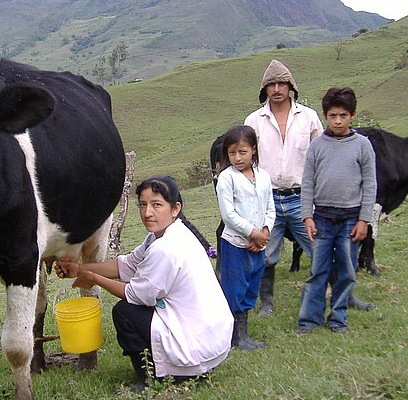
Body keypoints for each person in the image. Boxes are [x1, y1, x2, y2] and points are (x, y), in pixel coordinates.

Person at [55, 175, 233, 392]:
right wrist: (79, 269)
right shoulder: (166, 235)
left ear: (175, 208)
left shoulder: (166, 248)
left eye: (157, 205)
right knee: (135, 308)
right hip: (209, 336)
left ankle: (150, 378)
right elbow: (126, 265)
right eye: (142, 204)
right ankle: (171, 368)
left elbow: (135, 295)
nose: (147, 212)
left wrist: (93, 279)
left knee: (124, 312)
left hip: (197, 345)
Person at [243, 59, 324, 317]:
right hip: (268, 199)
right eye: (271, 84)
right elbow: (246, 160)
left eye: (282, 83)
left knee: (319, 248)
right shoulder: (254, 121)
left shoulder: (309, 118)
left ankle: (340, 294)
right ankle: (266, 302)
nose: (277, 89)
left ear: (291, 87)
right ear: (264, 89)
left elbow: (320, 155)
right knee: (266, 255)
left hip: (302, 197)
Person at [297, 87, 376, 334]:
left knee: (347, 271)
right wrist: (307, 216)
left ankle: (338, 318)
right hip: (321, 218)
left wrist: (364, 220)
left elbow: (370, 184)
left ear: (352, 115)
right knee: (317, 270)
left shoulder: (363, 145)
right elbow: (307, 182)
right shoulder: (317, 146)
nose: (338, 120)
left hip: (350, 220)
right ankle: (309, 320)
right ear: (325, 116)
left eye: (343, 115)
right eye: (332, 115)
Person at [215, 125, 275, 350]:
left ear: (253, 151)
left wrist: (266, 231)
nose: (237, 158)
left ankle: (243, 333)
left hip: (258, 244)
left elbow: (270, 206)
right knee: (235, 288)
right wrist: (253, 233)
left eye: (242, 152)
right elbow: (228, 215)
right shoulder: (227, 178)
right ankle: (231, 337)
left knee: (251, 287)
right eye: (232, 153)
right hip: (236, 244)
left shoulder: (264, 177)